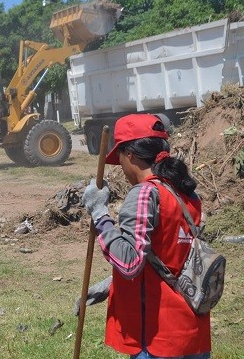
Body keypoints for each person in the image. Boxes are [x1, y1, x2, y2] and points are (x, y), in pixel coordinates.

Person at [80, 113, 211, 359]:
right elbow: (171, 258)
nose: (121, 167)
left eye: (119, 158)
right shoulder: (186, 194)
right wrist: (111, 286)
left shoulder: (144, 193)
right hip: (192, 334)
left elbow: (130, 263)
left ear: (129, 154)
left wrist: (99, 215)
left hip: (157, 336)